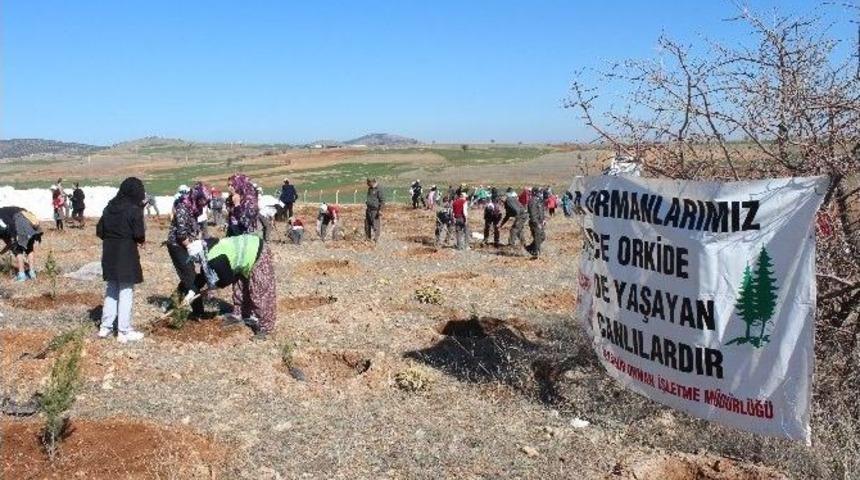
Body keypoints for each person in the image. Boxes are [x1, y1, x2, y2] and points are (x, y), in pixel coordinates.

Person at [187, 234, 277, 340]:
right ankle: (241, 314)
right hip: (243, 257)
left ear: (200, 254)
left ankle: (265, 327)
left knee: (260, 292)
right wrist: (191, 292)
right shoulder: (208, 250)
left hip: (257, 251)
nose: (195, 261)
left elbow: (227, 280)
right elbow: (203, 276)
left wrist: (213, 287)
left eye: (195, 259)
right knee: (240, 287)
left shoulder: (215, 258)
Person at [96, 177, 147, 343]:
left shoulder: (109, 207)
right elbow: (139, 234)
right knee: (126, 290)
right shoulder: (134, 209)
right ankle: (124, 330)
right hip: (126, 252)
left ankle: (105, 327)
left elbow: (100, 231)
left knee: (112, 287)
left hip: (109, 250)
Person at [165, 183, 209, 318]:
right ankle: (198, 312)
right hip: (177, 246)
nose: (203, 204)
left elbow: (198, 228)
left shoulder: (195, 208)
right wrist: (191, 247)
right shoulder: (183, 207)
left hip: (187, 244)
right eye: (202, 200)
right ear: (196, 196)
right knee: (190, 279)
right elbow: (181, 234)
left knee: (189, 277)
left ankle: (172, 305)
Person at [0, 207, 43, 281]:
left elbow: (10, 224)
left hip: (20, 222)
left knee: (18, 250)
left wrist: (14, 236)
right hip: (30, 222)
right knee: (29, 248)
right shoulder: (8, 210)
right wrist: (1, 252)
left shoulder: (1, 213)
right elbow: (9, 244)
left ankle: (22, 275)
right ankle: (32, 273)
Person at [526, 187, 546, 258]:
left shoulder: (539, 200)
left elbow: (541, 211)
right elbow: (532, 213)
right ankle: (536, 253)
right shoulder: (532, 201)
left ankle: (529, 248)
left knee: (542, 237)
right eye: (538, 192)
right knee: (537, 237)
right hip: (535, 223)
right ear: (534, 192)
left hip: (540, 222)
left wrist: (543, 219)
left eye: (540, 192)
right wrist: (537, 223)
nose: (540, 193)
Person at [364, 178, 384, 242]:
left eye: (368, 182)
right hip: (368, 209)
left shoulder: (379, 189)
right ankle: (368, 237)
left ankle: (376, 238)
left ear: (372, 182)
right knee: (367, 224)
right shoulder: (370, 189)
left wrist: (380, 210)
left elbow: (382, 201)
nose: (367, 184)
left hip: (375, 210)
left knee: (375, 224)